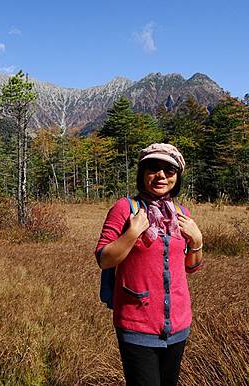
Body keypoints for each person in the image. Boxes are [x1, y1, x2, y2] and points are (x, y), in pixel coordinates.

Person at [95, 143, 203, 386]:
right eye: (153, 168)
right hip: (137, 324)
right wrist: (132, 233)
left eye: (169, 170)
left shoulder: (180, 212)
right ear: (142, 173)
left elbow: (191, 267)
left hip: (178, 324)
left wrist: (197, 240)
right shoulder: (126, 209)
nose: (161, 175)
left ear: (177, 177)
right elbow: (104, 259)